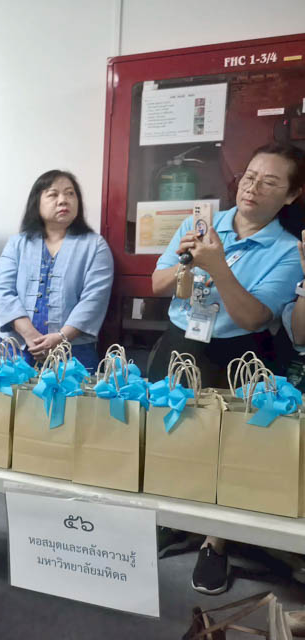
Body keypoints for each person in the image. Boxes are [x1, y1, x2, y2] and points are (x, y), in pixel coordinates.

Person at [148, 141, 305, 595]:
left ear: (291, 195)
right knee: (171, 434)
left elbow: (254, 316)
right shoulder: (201, 223)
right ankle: (174, 520)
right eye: (250, 176)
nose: (253, 188)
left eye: (270, 182)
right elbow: (159, 283)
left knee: (228, 450)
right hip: (182, 343)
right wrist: (185, 263)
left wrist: (218, 267)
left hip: (241, 354)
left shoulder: (286, 250)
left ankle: (215, 543)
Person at [0, 170, 114, 370]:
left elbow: (94, 299)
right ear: (37, 202)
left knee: (71, 392)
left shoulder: (95, 245)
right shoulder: (17, 244)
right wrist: (31, 336)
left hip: (73, 353)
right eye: (53, 194)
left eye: (70, 193)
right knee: (13, 391)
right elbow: (2, 292)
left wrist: (61, 337)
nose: (63, 200)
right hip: (18, 349)